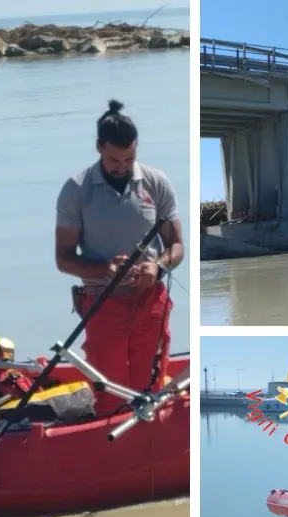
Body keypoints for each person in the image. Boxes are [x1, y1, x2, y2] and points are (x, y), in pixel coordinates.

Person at [55, 99, 185, 416]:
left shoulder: (156, 182)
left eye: (130, 157)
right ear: (99, 147)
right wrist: (105, 269)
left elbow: (177, 246)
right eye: (115, 159)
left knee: (149, 392)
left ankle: (152, 438)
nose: (122, 165)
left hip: (150, 300)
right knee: (111, 395)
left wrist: (157, 266)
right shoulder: (76, 189)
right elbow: (64, 259)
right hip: (102, 303)